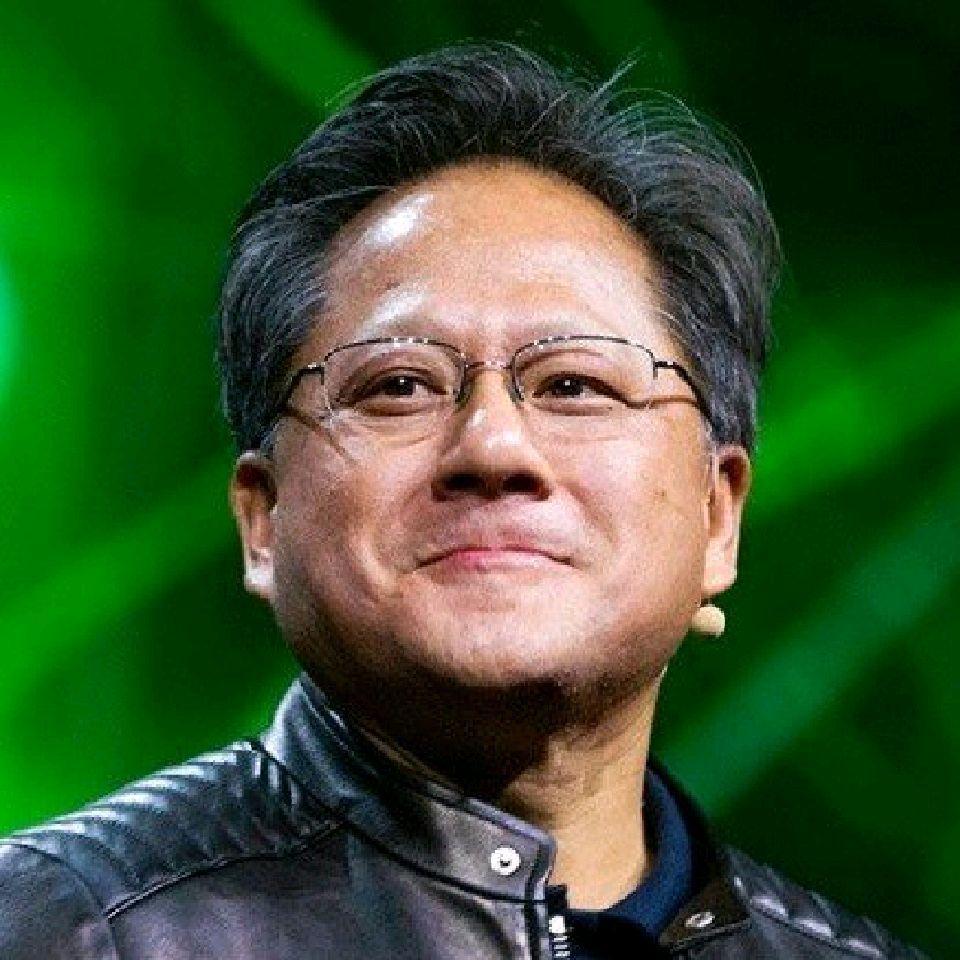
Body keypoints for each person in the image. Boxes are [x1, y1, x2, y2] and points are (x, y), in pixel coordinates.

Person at [0, 42, 926, 959]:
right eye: (399, 386)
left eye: (574, 385)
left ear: (719, 517)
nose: (492, 447)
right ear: (262, 520)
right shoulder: (63, 929)